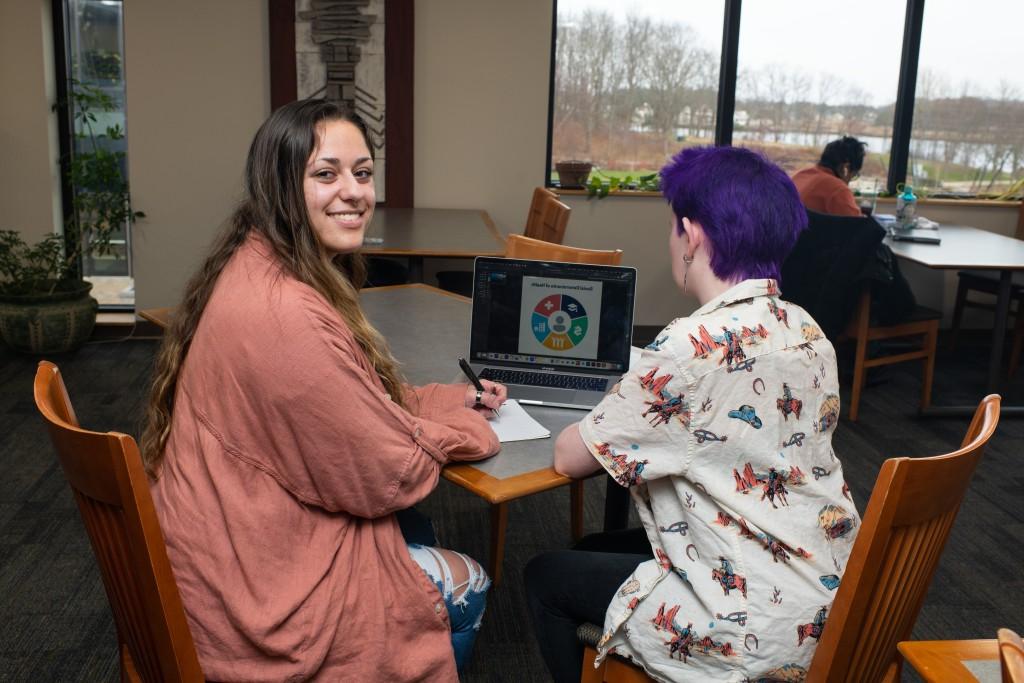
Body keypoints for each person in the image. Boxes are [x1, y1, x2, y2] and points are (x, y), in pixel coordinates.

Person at [140, 99, 505, 681]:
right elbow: (391, 475)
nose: (354, 191)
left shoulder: (257, 262)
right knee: (470, 580)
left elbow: (350, 402)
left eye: (363, 173)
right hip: (252, 591)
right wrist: (470, 430)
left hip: (219, 540)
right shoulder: (287, 315)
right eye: (326, 174)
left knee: (412, 528)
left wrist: (445, 398)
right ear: (280, 186)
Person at [525, 146, 860, 682]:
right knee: (595, 549)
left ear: (692, 233)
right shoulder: (807, 329)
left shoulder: (689, 348)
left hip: (747, 626)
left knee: (546, 575)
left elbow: (568, 459)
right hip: (826, 590)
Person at [791, 136, 867, 216]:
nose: (849, 182)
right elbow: (857, 225)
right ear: (845, 168)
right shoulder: (838, 189)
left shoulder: (800, 175)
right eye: (853, 175)